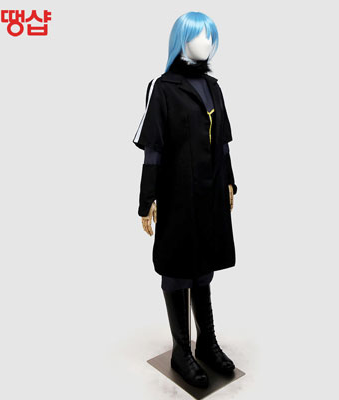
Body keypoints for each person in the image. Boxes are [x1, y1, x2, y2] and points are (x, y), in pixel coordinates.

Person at [133, 11, 238, 388]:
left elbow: (222, 142)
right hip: (176, 192)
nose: (205, 43)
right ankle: (181, 352)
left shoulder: (213, 87)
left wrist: (230, 181)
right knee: (178, 266)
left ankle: (207, 343)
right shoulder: (163, 87)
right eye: (197, 36)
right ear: (180, 40)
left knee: (204, 263)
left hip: (210, 190)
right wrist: (147, 198)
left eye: (210, 36)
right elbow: (154, 149)